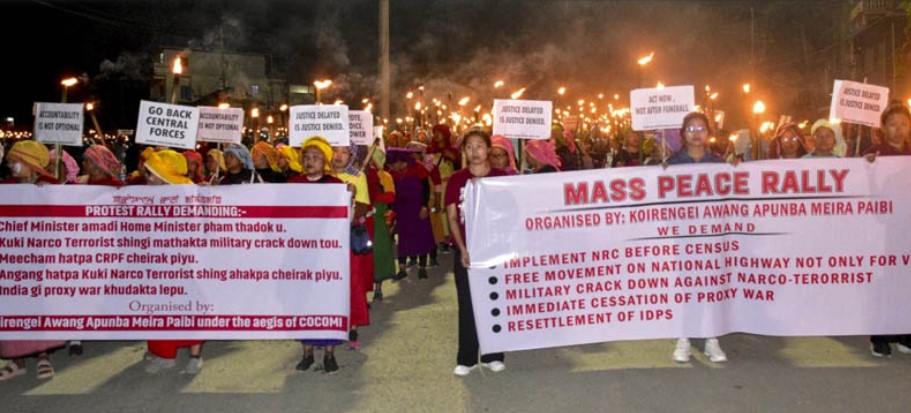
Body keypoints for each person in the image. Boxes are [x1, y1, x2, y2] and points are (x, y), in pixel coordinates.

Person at [444, 129, 508, 376]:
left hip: (494, 250)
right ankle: (467, 358)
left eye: (479, 146)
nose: (475, 151)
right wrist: (462, 248)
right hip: (467, 251)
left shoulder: (501, 177)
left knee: (494, 301)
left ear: (488, 148)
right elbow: (452, 216)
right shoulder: (457, 180)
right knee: (468, 303)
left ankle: (493, 354)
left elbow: (509, 212)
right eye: (469, 147)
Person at [0, 140, 64, 381]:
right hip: (10, 260)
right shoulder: (6, 188)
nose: (11, 166)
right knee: (12, 307)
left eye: (15, 162)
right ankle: (17, 360)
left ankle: (42, 356)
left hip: (38, 259)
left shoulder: (47, 188)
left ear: (30, 164)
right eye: (9, 162)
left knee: (38, 305)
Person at [666, 112, 727, 363]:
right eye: (690, 129)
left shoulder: (720, 164)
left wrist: (737, 170)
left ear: (709, 133)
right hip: (685, 238)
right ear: (683, 134)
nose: (696, 133)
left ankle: (712, 338)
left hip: (713, 237)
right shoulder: (671, 165)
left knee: (713, 288)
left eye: (701, 128)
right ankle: (684, 338)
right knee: (687, 288)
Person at [139, 150, 204, 374]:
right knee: (159, 309)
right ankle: (164, 353)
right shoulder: (149, 196)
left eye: (151, 174)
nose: (147, 178)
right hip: (157, 264)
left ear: (163, 175)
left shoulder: (187, 195)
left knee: (189, 308)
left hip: (184, 264)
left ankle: (195, 355)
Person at [289, 137, 345, 373]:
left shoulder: (336, 184)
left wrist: (349, 195)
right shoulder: (293, 185)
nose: (309, 161)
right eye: (306, 157)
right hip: (300, 252)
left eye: (315, 157)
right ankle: (307, 353)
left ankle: (329, 354)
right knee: (303, 302)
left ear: (325, 161)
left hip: (327, 254)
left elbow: (344, 218)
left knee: (328, 302)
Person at [866, 103, 911, 357]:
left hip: (909, 228)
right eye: (893, 125)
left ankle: (906, 334)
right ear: (883, 128)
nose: (898, 129)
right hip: (885, 230)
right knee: (885, 281)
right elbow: (865, 187)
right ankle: (880, 336)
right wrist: (868, 166)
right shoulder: (874, 155)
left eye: (903, 124)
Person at [330, 143, 372, 350]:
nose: (339, 155)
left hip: (346, 237)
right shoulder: (322, 175)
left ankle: (352, 325)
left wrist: (351, 199)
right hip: (324, 240)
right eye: (335, 150)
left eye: (344, 152)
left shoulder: (358, 177)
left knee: (351, 282)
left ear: (351, 156)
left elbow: (363, 206)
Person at [388, 148, 436, 280]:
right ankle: (402, 269)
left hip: (418, 208)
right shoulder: (393, 173)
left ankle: (422, 268)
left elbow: (426, 188)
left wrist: (424, 206)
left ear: (399, 160)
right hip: (402, 210)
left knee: (421, 237)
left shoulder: (417, 167)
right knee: (403, 238)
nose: (392, 168)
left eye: (393, 164)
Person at [365, 146, 397, 302]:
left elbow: (390, 197)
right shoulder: (359, 174)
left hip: (378, 219)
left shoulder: (385, 176)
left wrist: (374, 198)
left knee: (379, 254)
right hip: (363, 219)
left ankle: (378, 288)